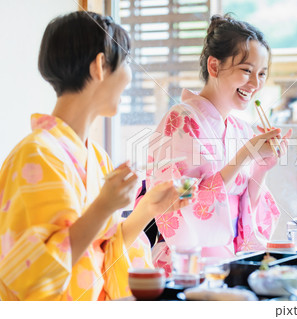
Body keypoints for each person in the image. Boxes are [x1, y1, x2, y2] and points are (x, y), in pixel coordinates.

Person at [0, 11, 192, 301]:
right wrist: (103, 206)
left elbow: (103, 250)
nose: (129, 76)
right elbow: (31, 275)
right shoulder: (35, 155)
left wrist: (147, 210)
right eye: (126, 63)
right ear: (101, 66)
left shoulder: (98, 157)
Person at [140, 14, 292, 275]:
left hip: (229, 260)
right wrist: (246, 154)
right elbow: (179, 202)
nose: (255, 84)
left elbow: (246, 208)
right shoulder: (181, 119)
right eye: (246, 70)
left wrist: (261, 168)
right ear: (214, 66)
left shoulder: (241, 128)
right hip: (186, 264)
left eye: (262, 74)